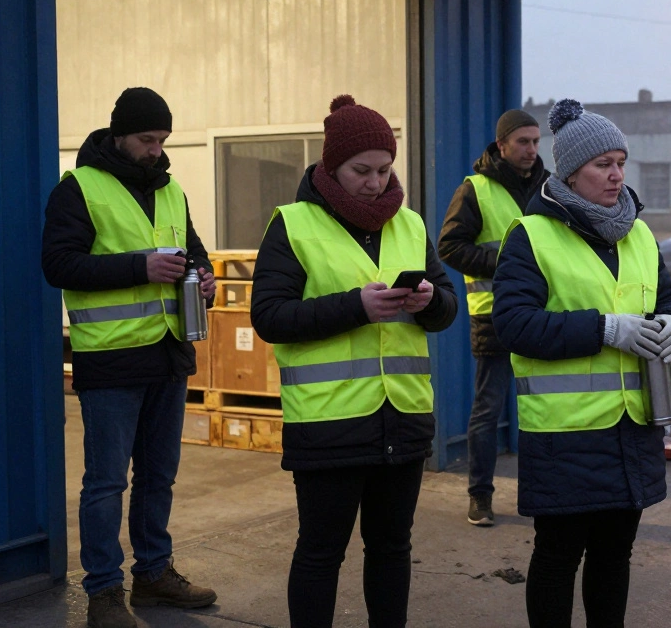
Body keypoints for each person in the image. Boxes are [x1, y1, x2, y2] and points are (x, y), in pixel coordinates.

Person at [250, 95, 457, 628]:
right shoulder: (292, 225)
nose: (375, 182)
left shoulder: (409, 225)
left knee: (392, 548)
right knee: (321, 553)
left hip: (403, 418)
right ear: (331, 168)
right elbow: (270, 317)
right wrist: (355, 306)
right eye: (361, 170)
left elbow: (447, 307)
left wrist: (430, 301)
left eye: (385, 170)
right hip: (328, 424)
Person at [491, 99, 671, 628]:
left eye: (621, 162)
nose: (616, 174)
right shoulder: (531, 235)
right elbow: (513, 325)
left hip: (632, 427)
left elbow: (668, 301)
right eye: (604, 164)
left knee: (614, 556)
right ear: (572, 173)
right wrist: (604, 328)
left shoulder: (640, 233)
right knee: (558, 557)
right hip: (566, 433)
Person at [41, 87, 218, 628]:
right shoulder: (79, 190)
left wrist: (203, 277)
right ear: (119, 134)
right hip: (112, 362)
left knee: (159, 476)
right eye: (147, 139)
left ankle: (154, 575)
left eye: (163, 140)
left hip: (167, 355)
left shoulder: (171, 190)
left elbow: (192, 248)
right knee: (106, 483)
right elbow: (59, 266)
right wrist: (138, 268)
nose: (156, 150)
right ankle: (103, 593)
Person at [438, 108, 550, 526]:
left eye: (536, 141)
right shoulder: (475, 189)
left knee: (544, 410)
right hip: (495, 316)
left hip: (542, 316)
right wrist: (506, 262)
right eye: (523, 141)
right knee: (488, 410)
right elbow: (449, 247)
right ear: (501, 145)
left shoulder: (550, 187)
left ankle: (542, 496)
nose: (531, 149)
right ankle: (479, 497)